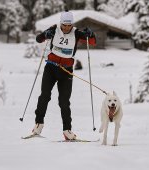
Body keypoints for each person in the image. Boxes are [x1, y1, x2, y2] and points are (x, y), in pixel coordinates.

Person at [31, 10, 96, 140]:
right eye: (64, 25)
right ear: (61, 23)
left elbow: (92, 42)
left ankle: (67, 130)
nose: (66, 27)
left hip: (66, 71)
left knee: (64, 101)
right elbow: (39, 39)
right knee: (45, 96)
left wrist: (91, 34)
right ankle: (38, 124)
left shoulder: (76, 33)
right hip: (51, 68)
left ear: (72, 24)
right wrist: (45, 34)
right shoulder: (54, 30)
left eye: (69, 25)